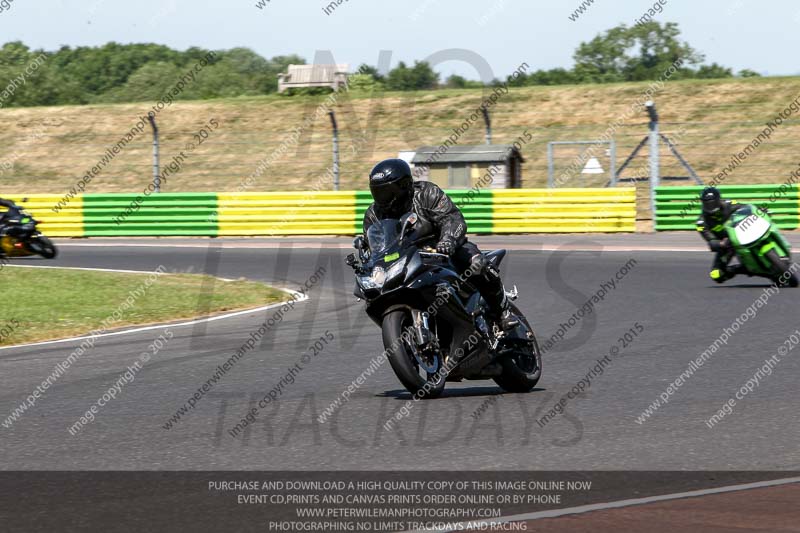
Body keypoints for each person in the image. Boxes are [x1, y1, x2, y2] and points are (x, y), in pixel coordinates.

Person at [362, 158, 517, 330]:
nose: (381, 198)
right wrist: (366, 265)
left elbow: (452, 218)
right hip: (406, 259)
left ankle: (503, 312)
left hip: (442, 248)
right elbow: (373, 247)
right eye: (377, 192)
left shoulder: (426, 193)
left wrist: (448, 240)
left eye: (386, 192)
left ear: (404, 185)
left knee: (477, 264)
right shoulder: (373, 214)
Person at [696, 186, 747, 283]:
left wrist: (759, 210)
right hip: (727, 244)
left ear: (718, 200)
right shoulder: (701, 223)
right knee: (716, 274)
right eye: (707, 202)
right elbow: (710, 240)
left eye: (712, 202)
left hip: (744, 232)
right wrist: (720, 244)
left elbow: (746, 207)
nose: (710, 205)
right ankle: (738, 269)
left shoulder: (729, 204)